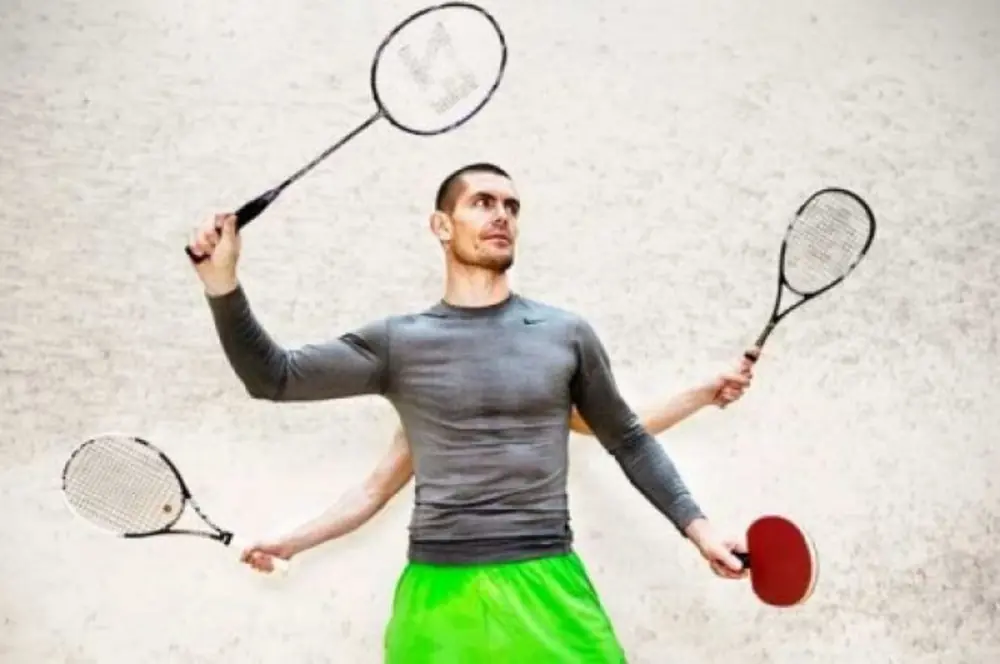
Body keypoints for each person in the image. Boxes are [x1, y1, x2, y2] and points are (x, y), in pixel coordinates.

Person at [188, 162, 752, 663]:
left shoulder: (564, 334)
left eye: (511, 206)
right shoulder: (399, 344)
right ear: (441, 225)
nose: (501, 215)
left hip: (547, 584)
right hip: (439, 598)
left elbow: (627, 438)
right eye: (482, 202)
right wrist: (222, 284)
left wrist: (701, 533)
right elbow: (274, 378)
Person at [238, 362, 756, 571]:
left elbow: (627, 431)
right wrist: (291, 542)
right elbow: (371, 492)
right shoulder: (428, 405)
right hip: (443, 585)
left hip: (543, 576)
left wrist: (702, 393)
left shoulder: (539, 387)